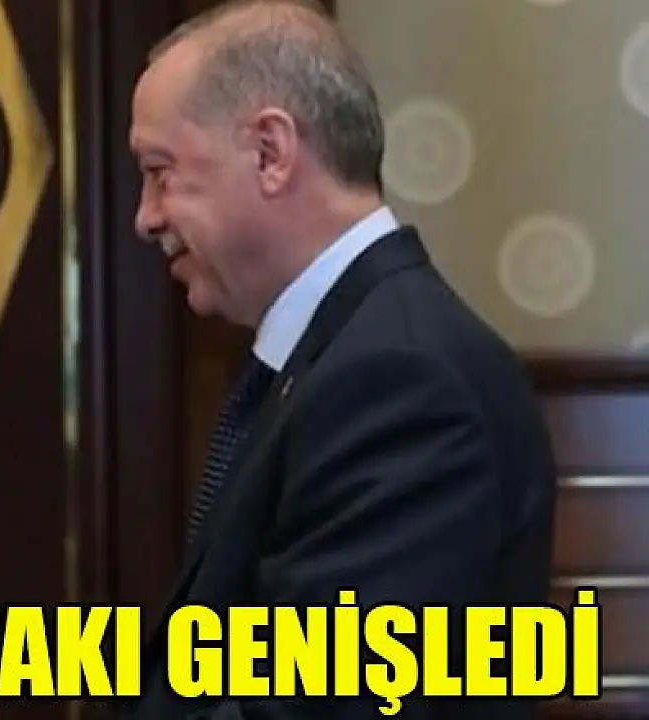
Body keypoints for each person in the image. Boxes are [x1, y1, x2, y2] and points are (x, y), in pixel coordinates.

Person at [125, 2, 555, 719]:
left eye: (160, 172)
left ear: (270, 152)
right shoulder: (341, 352)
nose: (146, 216)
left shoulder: (401, 380)